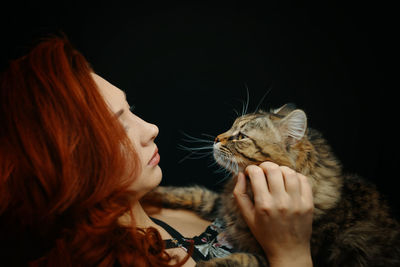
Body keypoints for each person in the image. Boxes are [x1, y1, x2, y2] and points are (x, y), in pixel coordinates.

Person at [0, 35, 314, 267]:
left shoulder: (163, 207)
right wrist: (291, 253)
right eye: (119, 126)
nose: (151, 128)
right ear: (69, 162)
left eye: (130, 108)